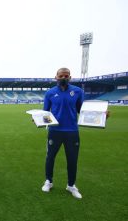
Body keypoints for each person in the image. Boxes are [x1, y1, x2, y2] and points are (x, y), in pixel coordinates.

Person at [40, 67, 85, 199]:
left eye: (66, 75)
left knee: (72, 160)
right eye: (61, 76)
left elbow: (82, 111)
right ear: (56, 77)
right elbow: (45, 113)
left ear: (70, 77)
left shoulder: (78, 91)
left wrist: (101, 115)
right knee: (50, 157)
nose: (63, 78)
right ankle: (49, 181)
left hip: (72, 131)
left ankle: (71, 185)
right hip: (55, 131)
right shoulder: (50, 93)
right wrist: (38, 119)